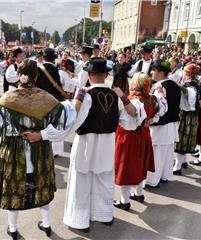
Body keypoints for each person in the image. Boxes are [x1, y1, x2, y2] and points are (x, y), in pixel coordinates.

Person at [0, 59, 90, 240]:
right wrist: (79, 95)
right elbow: (67, 115)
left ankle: (13, 228)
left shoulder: (8, 99)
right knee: (41, 186)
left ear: (18, 75)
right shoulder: (46, 99)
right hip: (40, 151)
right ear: (36, 76)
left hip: (14, 151)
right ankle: (46, 224)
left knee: (14, 188)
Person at [62, 58, 137, 232]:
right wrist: (123, 97)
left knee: (81, 182)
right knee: (104, 180)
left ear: (89, 75)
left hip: (86, 144)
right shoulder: (116, 96)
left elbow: (74, 118)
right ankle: (104, 215)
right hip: (107, 143)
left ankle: (80, 221)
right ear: (105, 75)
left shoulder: (86, 95)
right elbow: (129, 121)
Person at [114, 72, 166, 211]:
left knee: (126, 167)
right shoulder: (152, 99)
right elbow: (159, 111)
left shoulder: (135, 100)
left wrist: (122, 97)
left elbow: (131, 114)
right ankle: (138, 194)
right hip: (144, 134)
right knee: (140, 163)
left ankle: (124, 201)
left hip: (130, 136)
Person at [146, 60, 180, 188]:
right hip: (172, 124)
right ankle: (164, 176)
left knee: (157, 154)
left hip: (161, 126)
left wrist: (150, 120)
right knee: (166, 152)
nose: (151, 72)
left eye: (153, 70)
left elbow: (158, 108)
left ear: (161, 72)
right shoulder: (175, 85)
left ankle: (152, 180)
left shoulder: (159, 88)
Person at [36, 48, 75, 156]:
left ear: (43, 58)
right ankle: (55, 151)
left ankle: (42, 149)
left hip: (41, 103)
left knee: (42, 125)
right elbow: (70, 86)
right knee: (56, 125)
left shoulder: (37, 71)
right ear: (54, 59)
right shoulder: (60, 72)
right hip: (55, 102)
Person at [173, 63, 201, 174]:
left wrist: (179, 85)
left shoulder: (190, 86)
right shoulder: (198, 84)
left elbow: (188, 95)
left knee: (182, 140)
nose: (184, 73)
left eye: (185, 71)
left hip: (188, 115)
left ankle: (177, 167)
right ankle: (183, 162)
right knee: (184, 139)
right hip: (192, 114)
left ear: (188, 73)